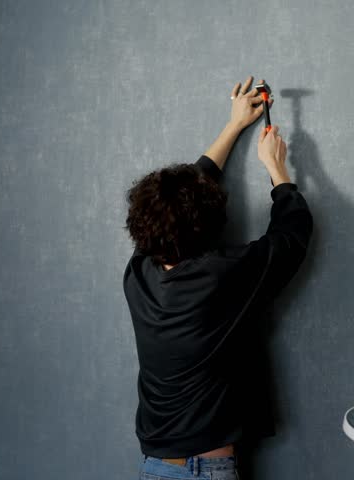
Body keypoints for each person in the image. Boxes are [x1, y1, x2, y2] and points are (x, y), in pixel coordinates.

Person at [123, 77, 313, 479]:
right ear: (208, 226)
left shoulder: (139, 271)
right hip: (202, 469)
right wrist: (277, 168)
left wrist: (233, 126)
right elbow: (291, 238)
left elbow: (179, 198)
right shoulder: (219, 275)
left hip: (153, 466)